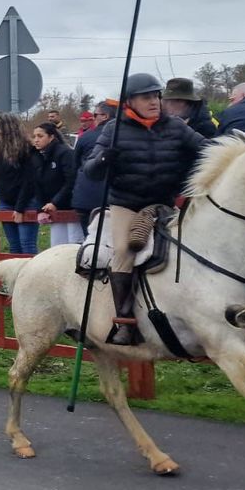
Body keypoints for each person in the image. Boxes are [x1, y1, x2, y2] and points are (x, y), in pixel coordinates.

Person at [84, 73, 207, 345]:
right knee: (123, 251)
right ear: (130, 102)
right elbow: (90, 170)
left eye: (156, 96)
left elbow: (205, 148)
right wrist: (105, 157)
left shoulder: (175, 127)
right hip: (127, 203)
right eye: (146, 97)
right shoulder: (113, 129)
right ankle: (125, 322)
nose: (153, 101)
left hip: (166, 202)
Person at [0, 114, 39, 256]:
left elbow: (29, 181)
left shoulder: (26, 148)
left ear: (7, 128)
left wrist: (20, 209)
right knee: (14, 246)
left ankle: (32, 277)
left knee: (27, 244)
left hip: (26, 201)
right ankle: (17, 277)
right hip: (6, 201)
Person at [28, 121, 81, 247]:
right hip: (54, 210)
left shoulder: (65, 153)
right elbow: (37, 184)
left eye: (40, 136)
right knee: (57, 247)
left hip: (72, 208)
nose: (36, 140)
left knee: (74, 246)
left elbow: (71, 181)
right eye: (34, 136)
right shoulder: (38, 156)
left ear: (51, 137)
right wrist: (41, 209)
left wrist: (55, 202)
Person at [71, 99, 116, 229]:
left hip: (85, 199)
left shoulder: (85, 137)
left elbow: (75, 166)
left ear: (105, 116)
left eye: (95, 115)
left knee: (90, 241)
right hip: (112, 199)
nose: (93, 118)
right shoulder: (126, 135)